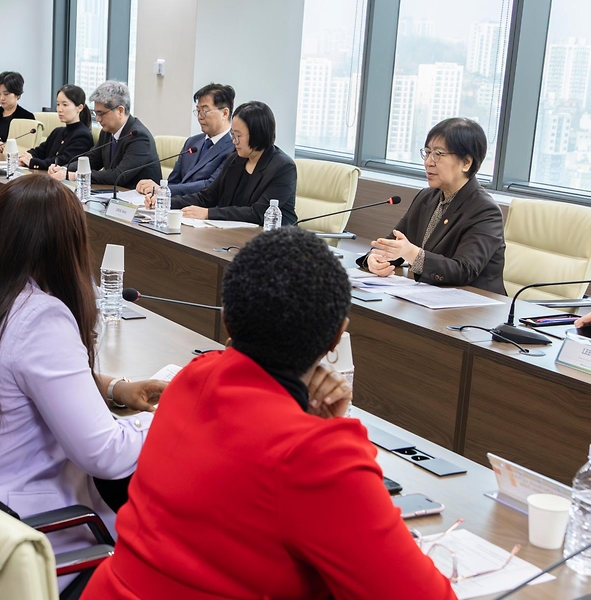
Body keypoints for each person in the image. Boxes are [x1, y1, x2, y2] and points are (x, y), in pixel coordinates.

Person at [82, 227, 456, 600]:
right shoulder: (317, 457)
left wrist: (312, 423)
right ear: (335, 339)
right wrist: (330, 431)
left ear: (227, 322)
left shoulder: (191, 380)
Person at [0, 175, 165, 587]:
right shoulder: (41, 316)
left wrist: (113, 388)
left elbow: (14, 375)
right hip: (23, 533)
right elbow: (104, 454)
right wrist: (169, 416)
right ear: (66, 247)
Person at [357, 118, 506, 295]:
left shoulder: (485, 211)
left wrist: (411, 252)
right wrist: (375, 259)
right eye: (427, 153)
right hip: (430, 299)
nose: (429, 162)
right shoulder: (427, 197)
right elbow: (394, 244)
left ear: (467, 162)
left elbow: (464, 270)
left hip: (475, 309)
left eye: (438, 154)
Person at [167, 101, 297, 225]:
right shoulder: (235, 159)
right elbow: (207, 196)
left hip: (272, 240)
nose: (234, 141)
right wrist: (168, 202)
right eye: (232, 134)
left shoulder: (283, 167)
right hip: (231, 234)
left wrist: (208, 213)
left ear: (257, 135)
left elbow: (258, 213)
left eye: (238, 136)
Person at [48, 80, 161, 188]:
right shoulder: (107, 132)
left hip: (139, 202)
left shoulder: (138, 136)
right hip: (113, 197)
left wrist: (73, 175)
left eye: (101, 114)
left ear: (120, 111)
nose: (98, 119)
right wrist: (64, 169)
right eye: (96, 113)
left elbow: (118, 175)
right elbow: (92, 160)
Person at [135, 83, 235, 197]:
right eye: (198, 111)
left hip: (201, 209)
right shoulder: (192, 142)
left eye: (205, 111)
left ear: (225, 113)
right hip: (175, 205)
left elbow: (209, 185)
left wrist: (163, 190)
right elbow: (173, 180)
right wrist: (160, 195)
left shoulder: (233, 148)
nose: (200, 116)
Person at [18, 84, 93, 171]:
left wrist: (32, 162)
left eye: (65, 105)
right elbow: (40, 151)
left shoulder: (82, 135)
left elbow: (63, 162)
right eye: (58, 104)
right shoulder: (57, 131)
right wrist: (25, 157)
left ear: (79, 108)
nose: (59, 109)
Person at [0, 71, 35, 148]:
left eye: (6, 94)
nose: (2, 98)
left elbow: (27, 147)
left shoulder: (27, 117)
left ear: (17, 94)